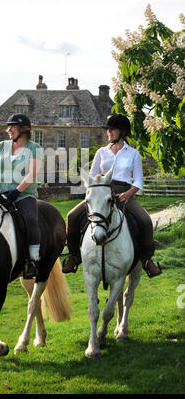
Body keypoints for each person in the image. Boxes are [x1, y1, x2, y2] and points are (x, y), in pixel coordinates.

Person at [62, 114, 162, 278]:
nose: (108, 132)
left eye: (112, 129)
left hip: (124, 193)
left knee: (145, 220)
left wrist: (128, 194)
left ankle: (147, 261)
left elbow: (138, 181)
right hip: (102, 192)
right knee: (71, 215)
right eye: (107, 129)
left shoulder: (133, 154)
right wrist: (94, 193)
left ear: (122, 132)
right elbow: (92, 176)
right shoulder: (102, 152)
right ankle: (74, 256)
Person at [0, 113, 43, 279]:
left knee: (31, 220)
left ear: (24, 129)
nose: (8, 129)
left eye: (13, 126)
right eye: (8, 126)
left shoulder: (35, 148)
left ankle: (32, 260)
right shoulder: (1, 146)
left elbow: (31, 174)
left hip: (24, 195)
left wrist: (17, 191)